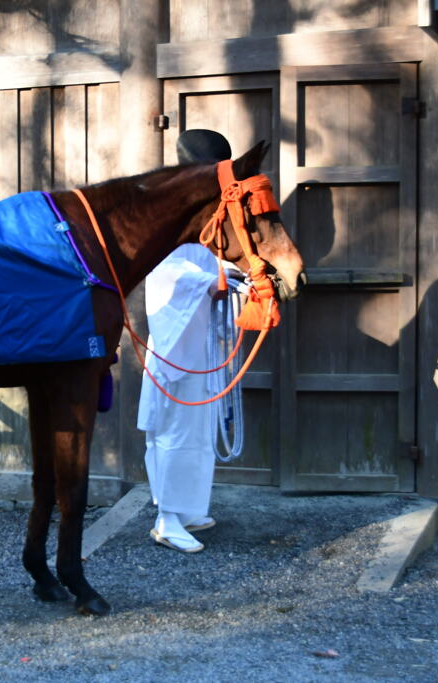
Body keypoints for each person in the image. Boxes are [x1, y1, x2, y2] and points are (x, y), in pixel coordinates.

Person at [138, 130, 240, 553]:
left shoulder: (208, 209)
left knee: (197, 428)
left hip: (201, 336)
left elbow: (205, 258)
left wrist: (231, 275)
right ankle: (166, 518)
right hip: (177, 338)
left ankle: (189, 508)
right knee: (176, 428)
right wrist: (211, 280)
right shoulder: (162, 205)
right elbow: (163, 274)